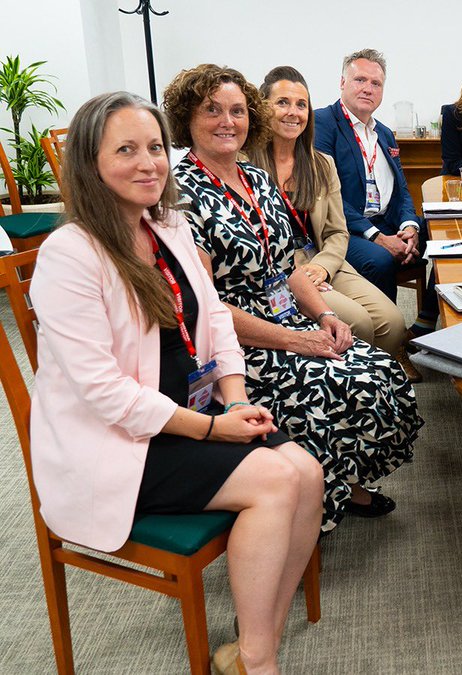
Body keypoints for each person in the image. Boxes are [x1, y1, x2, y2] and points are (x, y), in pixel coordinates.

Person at [30, 91, 323, 674]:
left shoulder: (165, 223)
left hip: (188, 416)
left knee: (308, 474)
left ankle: (251, 644)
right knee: (273, 480)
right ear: (89, 164)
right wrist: (215, 428)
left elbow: (214, 318)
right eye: (127, 150)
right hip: (117, 445)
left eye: (156, 148)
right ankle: (260, 663)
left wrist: (236, 400)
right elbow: (107, 394)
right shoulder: (70, 253)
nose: (150, 163)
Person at [163, 64, 423, 533]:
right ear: (187, 119)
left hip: (285, 313)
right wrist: (296, 341)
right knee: (340, 383)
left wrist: (323, 315)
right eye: (212, 111)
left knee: (378, 369)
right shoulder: (181, 195)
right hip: (237, 342)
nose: (228, 121)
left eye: (238, 111)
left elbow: (288, 267)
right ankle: (307, 513)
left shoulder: (255, 179)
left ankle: (344, 481)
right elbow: (207, 308)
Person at [247, 65, 421, 382]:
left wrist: (324, 267)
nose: (293, 112)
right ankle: (348, 385)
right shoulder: (245, 165)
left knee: (393, 323)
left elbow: (336, 232)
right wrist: (302, 272)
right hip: (281, 270)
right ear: (262, 108)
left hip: (324, 259)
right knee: (360, 322)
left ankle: (368, 381)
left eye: (301, 104)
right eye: (282, 102)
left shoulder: (319, 164)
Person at [313, 48, 438, 338]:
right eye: (360, 80)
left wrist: (409, 227)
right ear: (342, 83)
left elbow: (402, 189)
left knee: (440, 231)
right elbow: (327, 197)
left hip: (384, 220)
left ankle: (426, 320)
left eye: (376, 83)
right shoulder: (323, 123)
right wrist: (379, 238)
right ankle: (390, 342)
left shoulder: (384, 133)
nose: (368, 88)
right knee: (380, 259)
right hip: (344, 229)